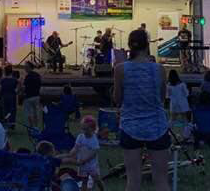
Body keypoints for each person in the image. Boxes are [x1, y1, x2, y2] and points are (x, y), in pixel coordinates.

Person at [114, 28, 170, 191]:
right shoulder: (159, 69)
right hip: (157, 126)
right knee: (160, 180)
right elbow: (161, 99)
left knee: (133, 180)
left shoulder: (120, 69)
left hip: (130, 126)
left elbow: (118, 99)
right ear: (147, 46)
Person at [57, 115, 101, 191]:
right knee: (84, 181)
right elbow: (76, 147)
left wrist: (84, 160)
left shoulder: (94, 140)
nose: (84, 131)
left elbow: (93, 153)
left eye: (86, 129)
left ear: (93, 129)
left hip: (92, 165)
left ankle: (102, 189)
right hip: (82, 165)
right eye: (83, 129)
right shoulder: (80, 137)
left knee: (97, 180)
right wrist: (71, 153)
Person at [21, 61, 43, 129]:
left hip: (29, 96)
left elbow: (24, 87)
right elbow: (40, 84)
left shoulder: (28, 77)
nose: (25, 68)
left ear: (29, 68)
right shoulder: (37, 75)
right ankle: (36, 126)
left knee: (29, 113)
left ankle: (31, 126)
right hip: (36, 96)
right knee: (36, 112)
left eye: (26, 67)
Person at [0, 64, 18, 128]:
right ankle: (12, 122)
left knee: (5, 110)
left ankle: (6, 122)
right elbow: (17, 89)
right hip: (12, 97)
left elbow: (0, 89)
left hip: (4, 97)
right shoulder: (15, 80)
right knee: (12, 110)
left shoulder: (2, 80)